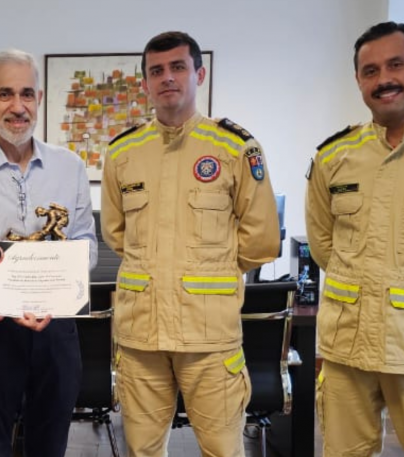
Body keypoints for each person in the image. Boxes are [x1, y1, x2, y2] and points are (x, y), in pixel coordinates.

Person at [101, 31, 280, 456]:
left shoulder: (235, 147)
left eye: (178, 67)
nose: (167, 78)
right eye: (156, 71)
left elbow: (261, 240)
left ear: (199, 74)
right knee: (142, 449)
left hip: (209, 335)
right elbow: (115, 233)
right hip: (141, 334)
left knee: (222, 449)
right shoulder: (123, 152)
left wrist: (207, 273)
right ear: (145, 83)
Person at [306, 21, 404, 456]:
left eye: (395, 64)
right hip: (346, 348)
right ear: (358, 80)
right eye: (370, 70)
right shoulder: (334, 156)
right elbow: (323, 244)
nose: (383, 79)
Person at [0, 49, 97, 457]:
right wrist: (9, 299)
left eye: (27, 94)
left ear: (39, 99)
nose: (17, 106)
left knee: (51, 442)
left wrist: (52, 297)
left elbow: (84, 244)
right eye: (5, 94)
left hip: (56, 328)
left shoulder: (70, 166)